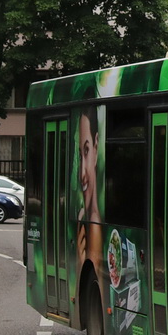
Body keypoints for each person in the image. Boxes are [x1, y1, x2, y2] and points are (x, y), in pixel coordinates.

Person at [75, 107, 104, 282]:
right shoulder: (86, 222)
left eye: (86, 151)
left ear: (96, 146)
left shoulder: (94, 226)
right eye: (80, 155)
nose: (82, 174)